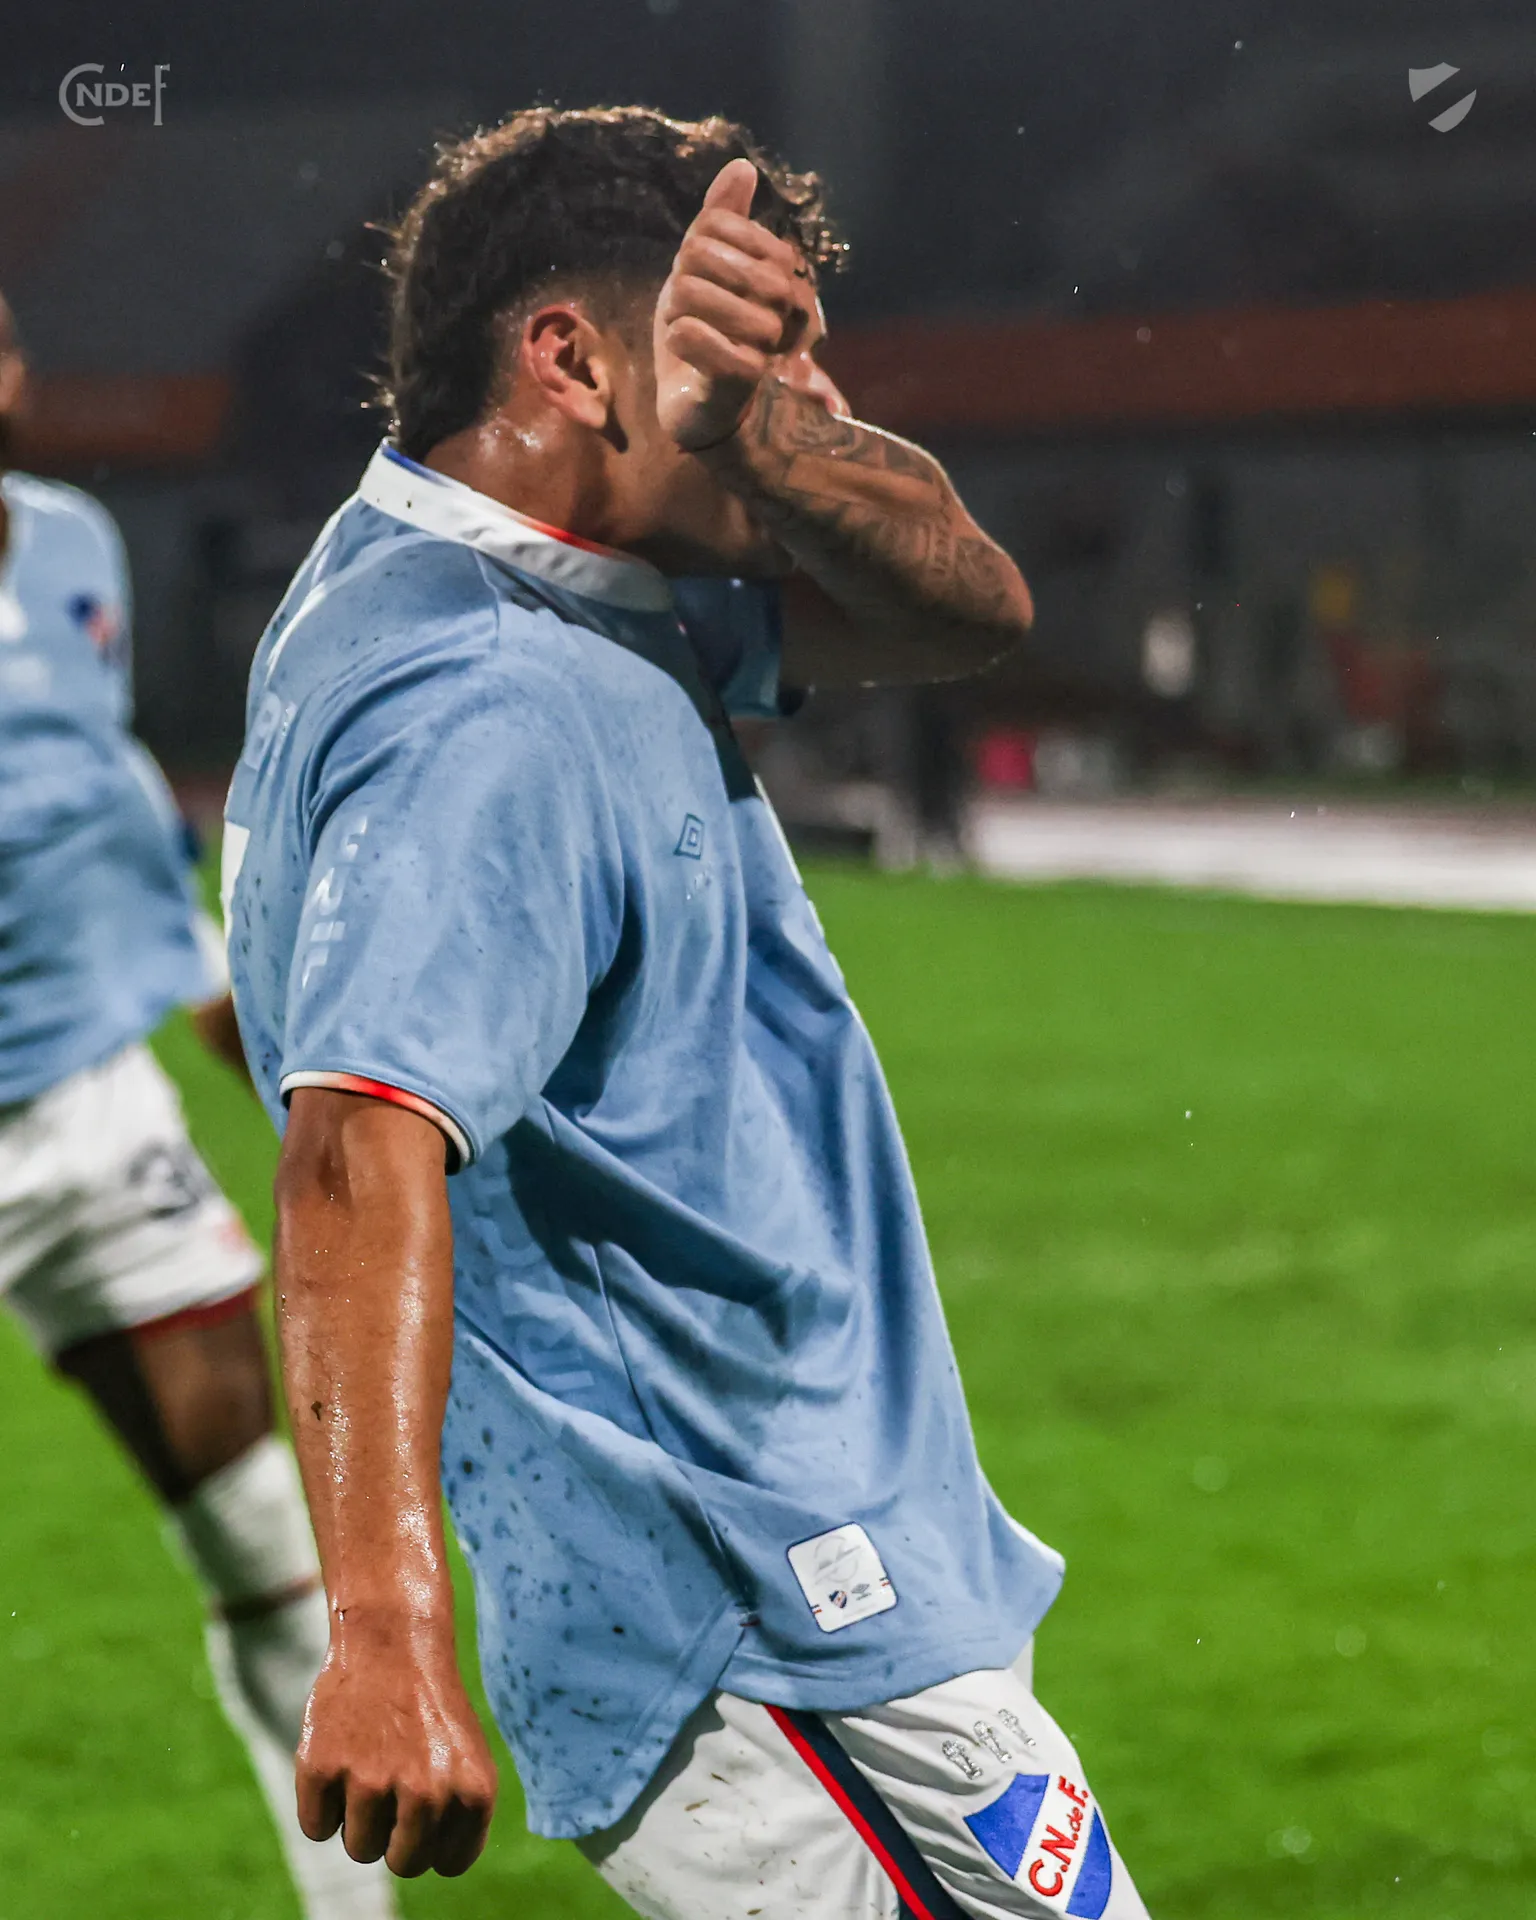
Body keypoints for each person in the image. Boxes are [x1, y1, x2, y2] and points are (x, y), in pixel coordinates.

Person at [225, 106, 1153, 1917]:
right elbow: (356, 1148)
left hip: (782, 1569)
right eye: (759, 347)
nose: (809, 396)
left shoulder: (514, 578)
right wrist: (387, 1629)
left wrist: (755, 432)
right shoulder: (489, 694)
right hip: (761, 1593)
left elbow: (968, 607)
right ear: (574, 360)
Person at [0, 295, 395, 1920]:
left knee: (270, 1546)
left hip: (84, 1101)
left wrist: (243, 1019)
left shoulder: (67, 545)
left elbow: (102, 814)